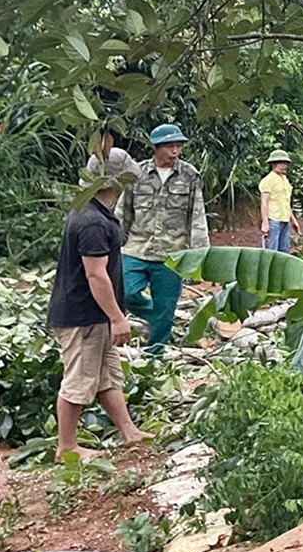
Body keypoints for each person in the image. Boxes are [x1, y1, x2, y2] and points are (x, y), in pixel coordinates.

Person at [50, 147, 152, 461]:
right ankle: (66, 447)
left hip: (95, 315)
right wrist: (118, 317)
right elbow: (96, 276)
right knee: (79, 381)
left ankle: (128, 430)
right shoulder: (92, 222)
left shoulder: (93, 212)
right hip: (83, 316)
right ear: (115, 180)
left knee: (107, 376)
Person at [119, 123, 209, 354]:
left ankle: (155, 356)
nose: (175, 150)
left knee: (167, 306)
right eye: (170, 146)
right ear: (156, 147)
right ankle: (156, 317)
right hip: (137, 249)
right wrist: (111, 242)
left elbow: (196, 215)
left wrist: (200, 255)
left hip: (172, 253)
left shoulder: (189, 175)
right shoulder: (136, 174)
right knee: (126, 292)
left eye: (178, 146)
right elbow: (123, 211)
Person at [259, 149, 300, 253]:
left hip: (284, 219)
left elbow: (285, 202)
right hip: (273, 219)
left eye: (285, 163)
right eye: (280, 163)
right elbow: (264, 202)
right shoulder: (268, 180)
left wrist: (293, 220)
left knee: (284, 250)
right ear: (273, 164)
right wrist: (265, 222)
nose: (283, 165)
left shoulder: (285, 180)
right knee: (272, 250)